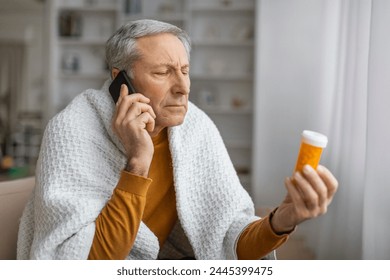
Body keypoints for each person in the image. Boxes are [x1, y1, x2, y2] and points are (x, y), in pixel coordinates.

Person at [17, 19, 338, 260]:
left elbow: (228, 239)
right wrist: (137, 163)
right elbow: (82, 264)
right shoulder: (71, 130)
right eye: (162, 72)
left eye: (184, 70)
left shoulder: (195, 126)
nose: (182, 87)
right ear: (120, 81)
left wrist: (282, 219)